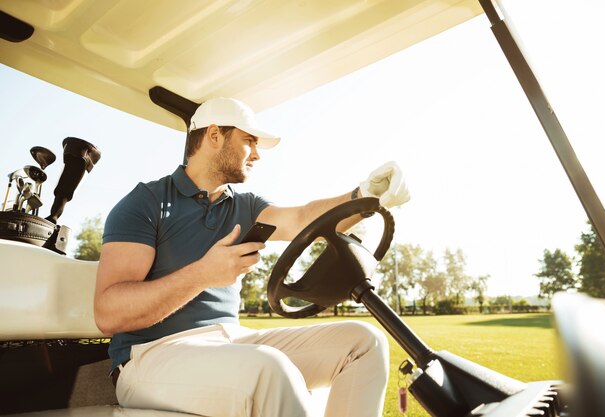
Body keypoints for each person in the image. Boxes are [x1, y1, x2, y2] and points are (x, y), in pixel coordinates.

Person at [94, 97, 410, 417]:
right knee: (268, 368)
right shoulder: (146, 202)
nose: (257, 155)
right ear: (214, 135)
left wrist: (363, 195)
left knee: (364, 343)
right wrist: (203, 274)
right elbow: (109, 314)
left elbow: (301, 219)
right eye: (249, 141)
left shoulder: (244, 206)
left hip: (231, 343)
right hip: (150, 356)